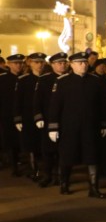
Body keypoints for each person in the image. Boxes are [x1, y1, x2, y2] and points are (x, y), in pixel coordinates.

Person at [47, 52, 106, 198]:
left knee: (92, 156)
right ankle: (64, 184)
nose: (83, 65)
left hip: (91, 126)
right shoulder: (62, 81)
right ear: (72, 65)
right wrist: (53, 127)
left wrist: (104, 124)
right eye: (80, 63)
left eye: (85, 62)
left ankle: (94, 188)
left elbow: (102, 105)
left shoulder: (95, 81)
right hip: (70, 126)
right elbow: (55, 106)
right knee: (67, 155)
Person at [33, 52, 69, 188]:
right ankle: (47, 175)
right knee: (48, 150)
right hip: (49, 119)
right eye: (59, 63)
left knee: (64, 151)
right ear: (53, 65)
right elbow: (37, 101)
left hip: (66, 120)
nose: (62, 65)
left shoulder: (70, 78)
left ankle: (61, 177)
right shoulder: (44, 79)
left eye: (64, 62)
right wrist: (38, 117)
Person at [14, 53, 47, 181]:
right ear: (30, 63)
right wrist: (17, 118)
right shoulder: (23, 80)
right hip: (28, 116)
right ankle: (35, 170)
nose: (39, 65)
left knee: (42, 144)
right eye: (36, 62)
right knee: (31, 145)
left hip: (43, 116)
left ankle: (45, 169)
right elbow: (17, 101)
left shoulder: (47, 79)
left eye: (41, 62)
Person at [0, 54, 25, 175]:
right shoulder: (3, 79)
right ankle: (14, 166)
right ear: (9, 65)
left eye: (20, 63)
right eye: (16, 63)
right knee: (11, 141)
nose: (19, 66)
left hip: (22, 114)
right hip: (7, 113)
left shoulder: (25, 78)